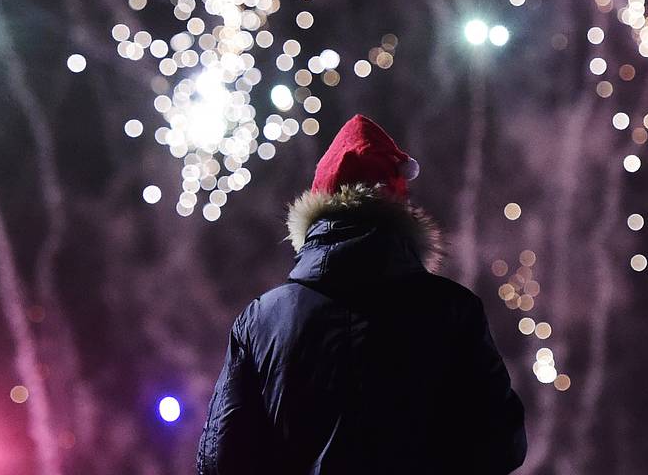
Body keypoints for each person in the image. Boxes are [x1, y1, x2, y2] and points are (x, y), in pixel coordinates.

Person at [197, 114, 526, 474]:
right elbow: (502, 444)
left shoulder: (262, 321)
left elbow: (220, 460)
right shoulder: (452, 311)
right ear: (399, 205)